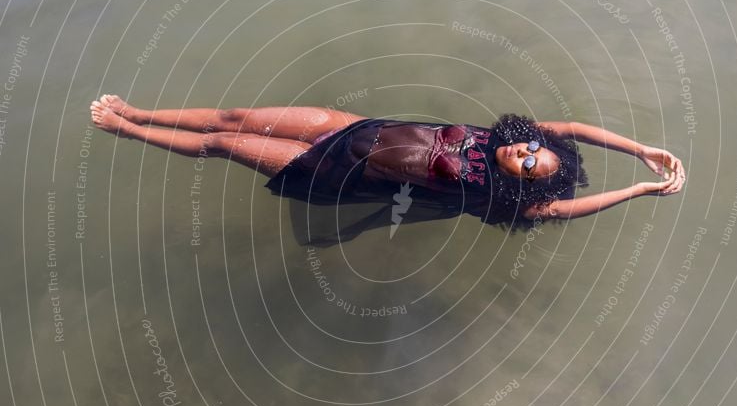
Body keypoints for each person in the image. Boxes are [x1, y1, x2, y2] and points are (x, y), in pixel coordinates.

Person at [89, 96, 685, 237]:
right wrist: (641, 148)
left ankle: (127, 129)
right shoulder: (493, 139)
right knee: (233, 115)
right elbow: (576, 130)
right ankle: (141, 109)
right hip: (347, 128)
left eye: (530, 167)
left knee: (224, 146)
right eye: (532, 147)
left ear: (521, 186)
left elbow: (561, 207)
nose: (525, 154)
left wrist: (636, 188)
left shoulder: (492, 193)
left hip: (331, 172)